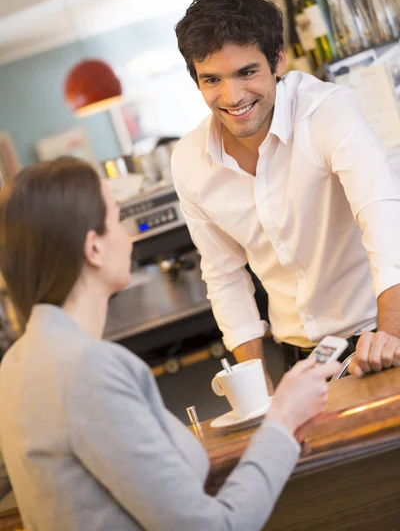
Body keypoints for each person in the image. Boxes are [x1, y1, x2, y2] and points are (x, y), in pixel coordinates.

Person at [0, 157, 339, 531]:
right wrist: (283, 419)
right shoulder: (88, 369)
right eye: (116, 218)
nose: (129, 237)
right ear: (93, 248)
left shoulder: (16, 365)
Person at [172, 0, 400, 391]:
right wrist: (257, 392)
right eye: (212, 80)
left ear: (277, 60)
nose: (233, 97)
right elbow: (224, 276)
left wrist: (391, 336)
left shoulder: (326, 111)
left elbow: (384, 216)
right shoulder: (190, 160)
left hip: (380, 329)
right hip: (301, 357)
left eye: (246, 72)